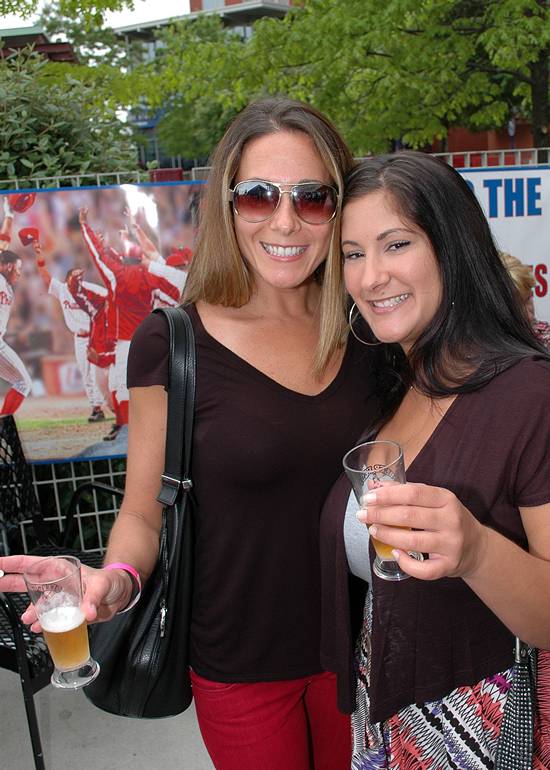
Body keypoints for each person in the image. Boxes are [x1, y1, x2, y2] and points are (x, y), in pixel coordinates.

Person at [0, 97, 378, 770]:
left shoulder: (371, 330)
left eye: (313, 197)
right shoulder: (173, 341)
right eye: (258, 196)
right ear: (227, 206)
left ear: (339, 206)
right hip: (240, 668)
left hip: (369, 651)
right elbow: (144, 511)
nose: (285, 220)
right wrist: (115, 579)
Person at [319, 151, 550, 769]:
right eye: (352, 253)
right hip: (385, 718)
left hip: (482, 736)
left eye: (396, 245)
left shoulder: (530, 395)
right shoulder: (395, 387)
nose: (370, 278)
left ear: (453, 246)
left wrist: (474, 550)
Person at [78, 207, 180, 441]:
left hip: (126, 340)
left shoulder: (118, 276)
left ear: (123, 260)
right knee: (155, 383)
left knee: (121, 384)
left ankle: (127, 429)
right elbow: (176, 298)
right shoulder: (152, 277)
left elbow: (98, 256)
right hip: (150, 337)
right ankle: (155, 428)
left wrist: (86, 227)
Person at [31, 238, 106, 422]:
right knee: (86, 372)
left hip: (96, 335)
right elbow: (44, 276)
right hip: (79, 338)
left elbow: (110, 298)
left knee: (100, 372)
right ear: (67, 280)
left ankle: (113, 403)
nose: (78, 282)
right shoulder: (62, 290)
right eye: (74, 279)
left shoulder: (89, 288)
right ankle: (97, 408)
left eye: (80, 279)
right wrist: (39, 255)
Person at [0, 250, 33, 414]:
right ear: (9, 266)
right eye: (18, 269)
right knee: (23, 382)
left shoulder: (9, 289)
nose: (19, 273)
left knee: (22, 382)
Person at [500, 250, 550, 349]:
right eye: (514, 308)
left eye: (528, 299)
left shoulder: (546, 338)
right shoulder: (472, 349)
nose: (529, 315)